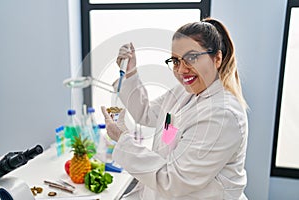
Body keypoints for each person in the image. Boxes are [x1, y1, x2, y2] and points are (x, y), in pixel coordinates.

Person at [101, 17, 248, 200]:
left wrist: (123, 139)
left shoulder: (222, 115)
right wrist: (130, 71)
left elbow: (174, 180)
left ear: (217, 58)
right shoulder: (183, 93)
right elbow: (147, 114)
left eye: (191, 58)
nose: (181, 70)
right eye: (176, 61)